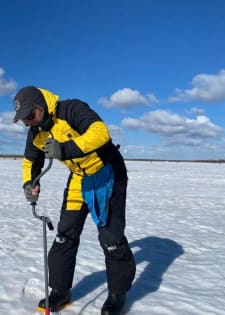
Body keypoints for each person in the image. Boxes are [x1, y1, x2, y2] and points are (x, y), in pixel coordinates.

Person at [13, 86, 136, 315]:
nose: (28, 122)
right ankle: (61, 290)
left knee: (111, 238)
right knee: (64, 235)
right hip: (80, 179)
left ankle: (117, 293)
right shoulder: (35, 134)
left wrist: (65, 149)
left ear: (41, 107)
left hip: (107, 173)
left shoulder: (71, 109)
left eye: (30, 116)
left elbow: (100, 133)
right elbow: (30, 162)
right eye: (23, 120)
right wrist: (28, 184)